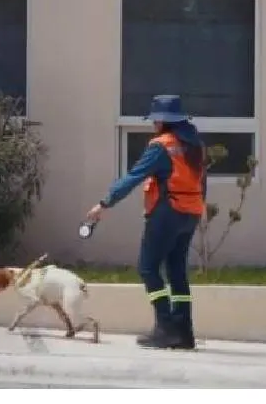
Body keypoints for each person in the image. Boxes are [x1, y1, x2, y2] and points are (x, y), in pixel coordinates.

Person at [84, 94, 206, 350]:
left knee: (148, 268)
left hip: (167, 213)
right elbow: (200, 183)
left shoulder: (161, 146)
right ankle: (184, 332)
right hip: (191, 212)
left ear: (163, 121)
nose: (153, 125)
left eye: (155, 120)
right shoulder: (194, 145)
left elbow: (133, 176)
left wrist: (104, 203)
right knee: (176, 271)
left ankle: (164, 328)